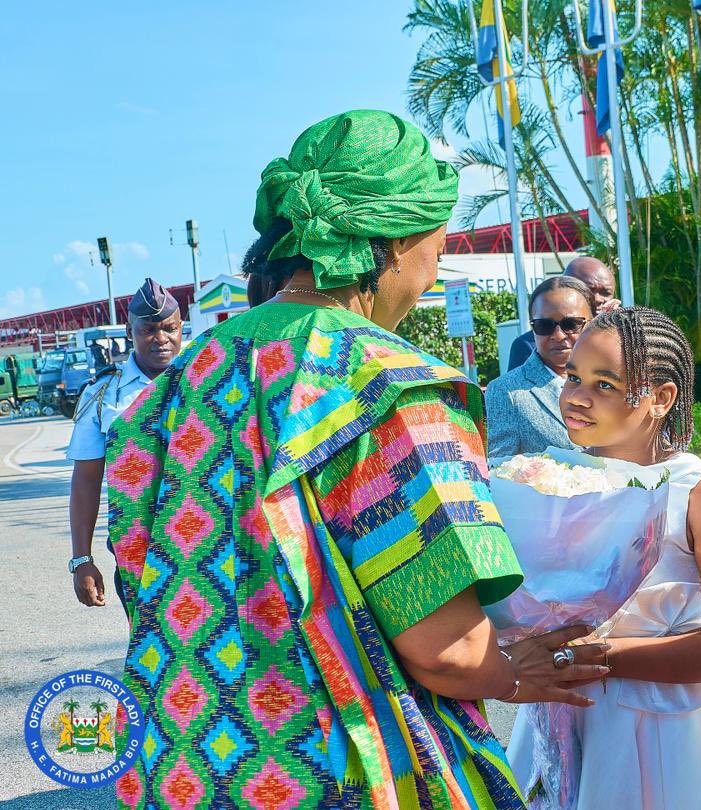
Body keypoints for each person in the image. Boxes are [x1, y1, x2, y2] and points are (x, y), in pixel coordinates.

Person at [106, 110, 608, 808]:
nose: (435, 268)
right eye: (438, 243)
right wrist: (514, 673)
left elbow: (136, 560)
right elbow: (447, 652)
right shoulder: (391, 385)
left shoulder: (182, 381)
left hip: (186, 761)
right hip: (338, 770)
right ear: (397, 241)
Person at [508, 306, 701, 810]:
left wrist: (601, 658)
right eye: (573, 378)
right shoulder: (544, 479)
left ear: (660, 398)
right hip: (560, 711)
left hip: (669, 729)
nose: (577, 398)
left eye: (604, 384)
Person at [68, 278, 182, 609]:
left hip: (211, 549)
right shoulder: (103, 395)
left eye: (170, 328)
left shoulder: (206, 380)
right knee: (150, 653)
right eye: (149, 330)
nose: (162, 339)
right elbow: (86, 481)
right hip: (138, 556)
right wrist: (81, 559)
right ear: (129, 331)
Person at [485, 276, 593, 458]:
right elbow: (498, 469)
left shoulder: (614, 379)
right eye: (545, 325)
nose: (558, 335)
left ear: (593, 323)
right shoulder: (506, 391)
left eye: (571, 324)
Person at [505, 256, 615, 372]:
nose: (597, 299)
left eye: (605, 292)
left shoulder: (620, 341)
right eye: (588, 290)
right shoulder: (527, 344)